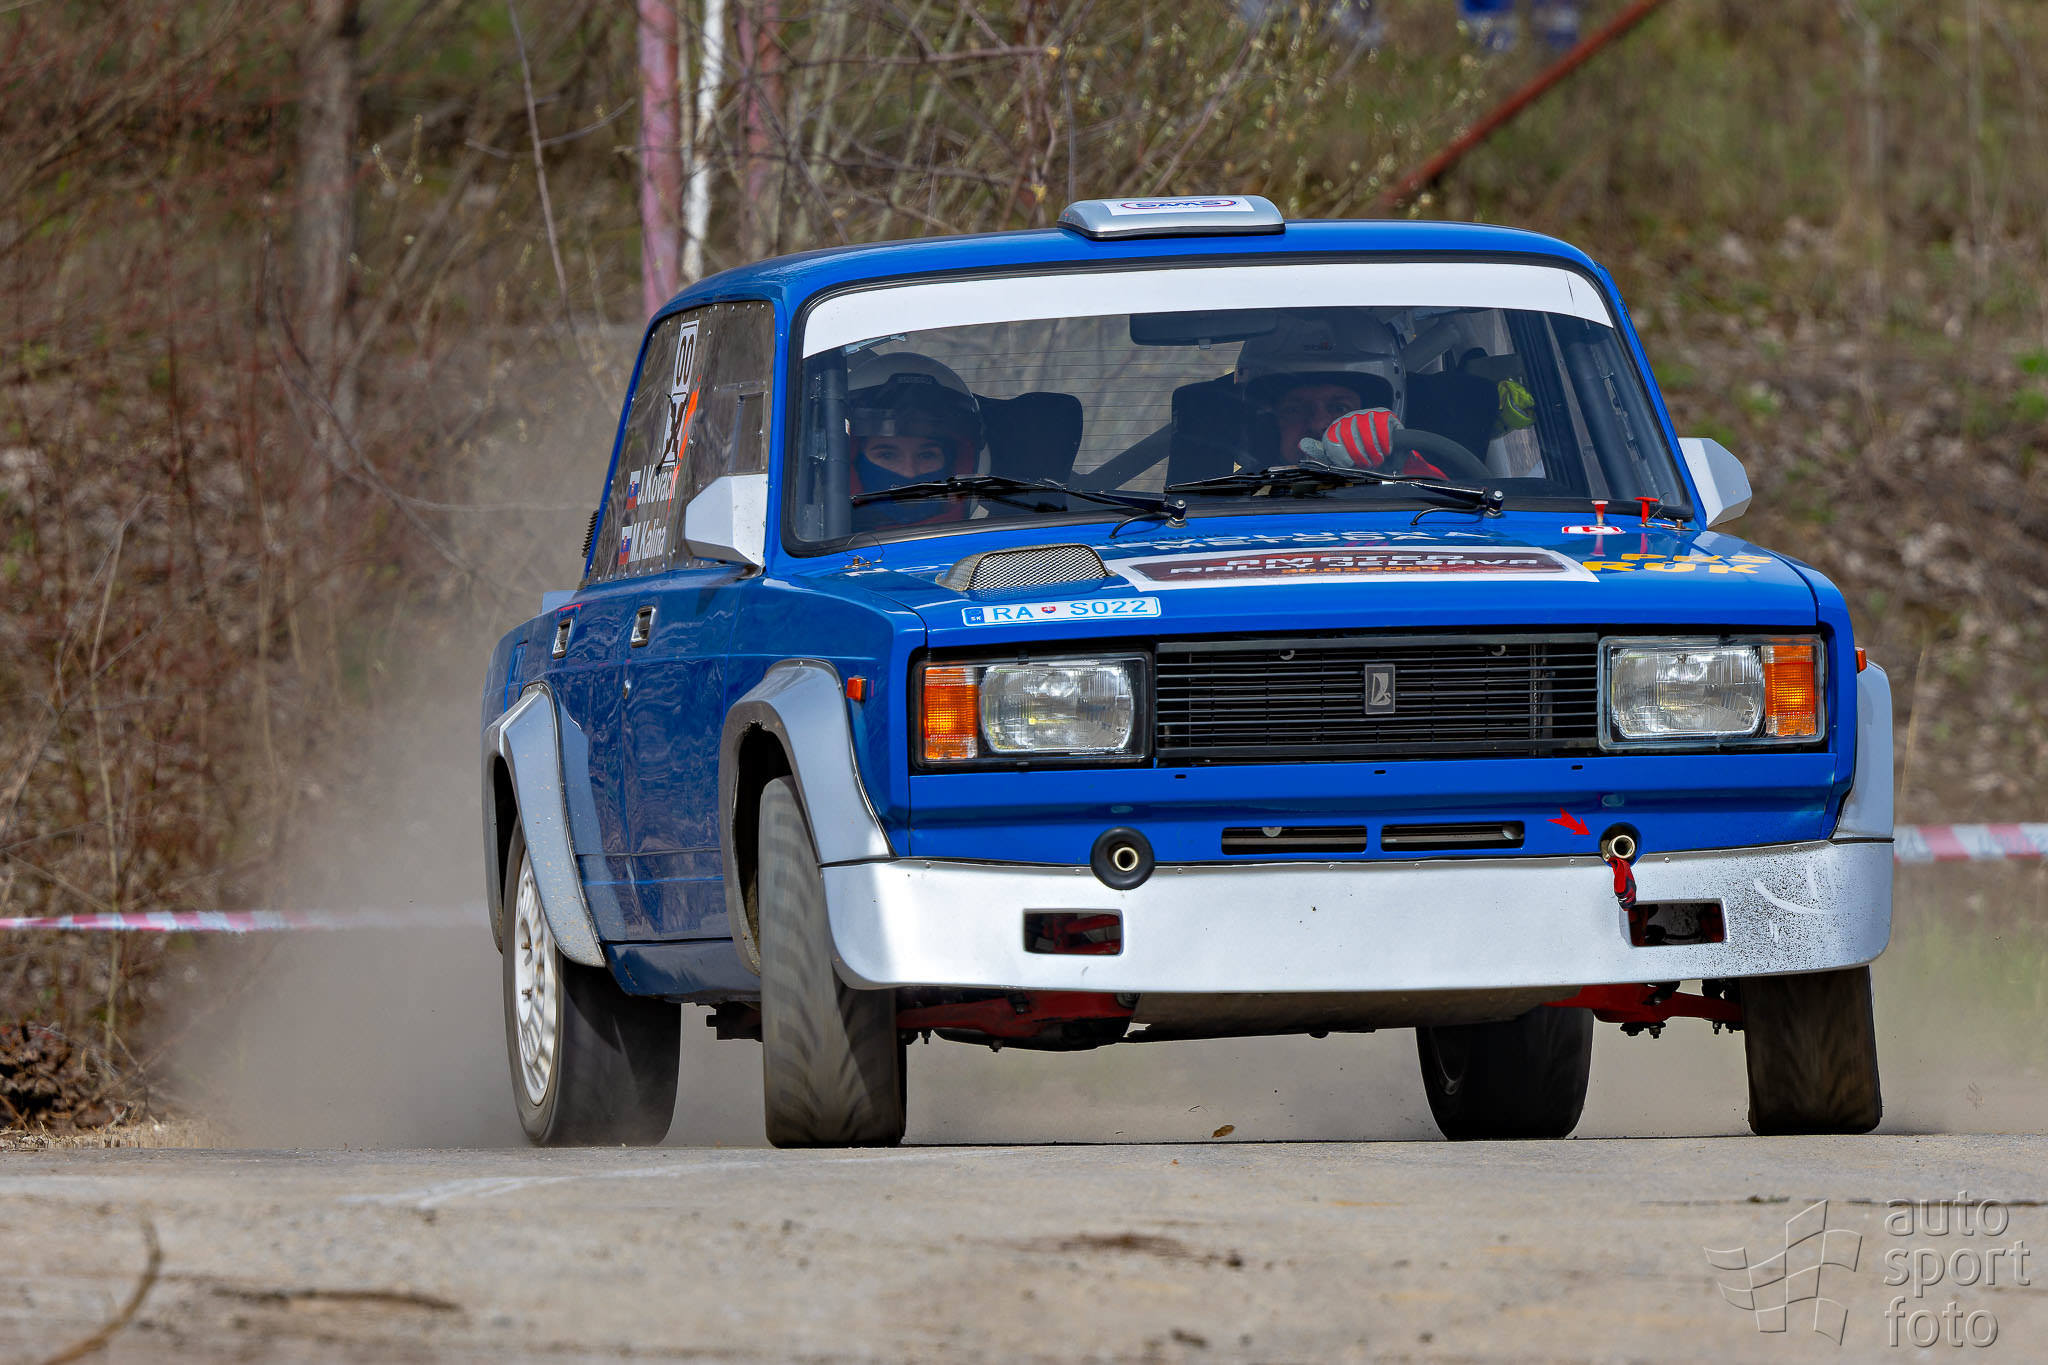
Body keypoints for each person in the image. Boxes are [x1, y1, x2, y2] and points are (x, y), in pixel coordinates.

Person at [845, 351, 985, 528]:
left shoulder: (1003, 540)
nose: (909, 473)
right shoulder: (813, 543)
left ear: (957, 464)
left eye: (927, 455)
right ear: (851, 463)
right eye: (887, 455)